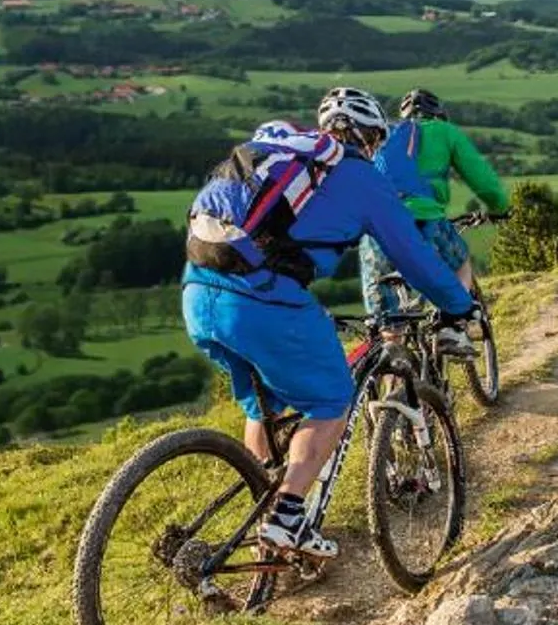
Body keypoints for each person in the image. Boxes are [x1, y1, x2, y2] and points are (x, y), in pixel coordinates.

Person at [180, 86, 476, 557]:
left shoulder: (278, 150)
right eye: (377, 143)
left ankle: (265, 516)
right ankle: (287, 518)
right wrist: (459, 304)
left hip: (199, 294)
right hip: (264, 304)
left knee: (264, 408)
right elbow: (414, 255)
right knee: (331, 399)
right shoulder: (358, 175)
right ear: (370, 137)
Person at [359, 87, 511, 319]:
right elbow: (484, 181)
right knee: (459, 263)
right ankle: (451, 324)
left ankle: (393, 347)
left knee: (385, 309)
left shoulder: (383, 135)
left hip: (378, 226)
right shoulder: (445, 132)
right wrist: (499, 209)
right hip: (425, 220)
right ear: (438, 113)